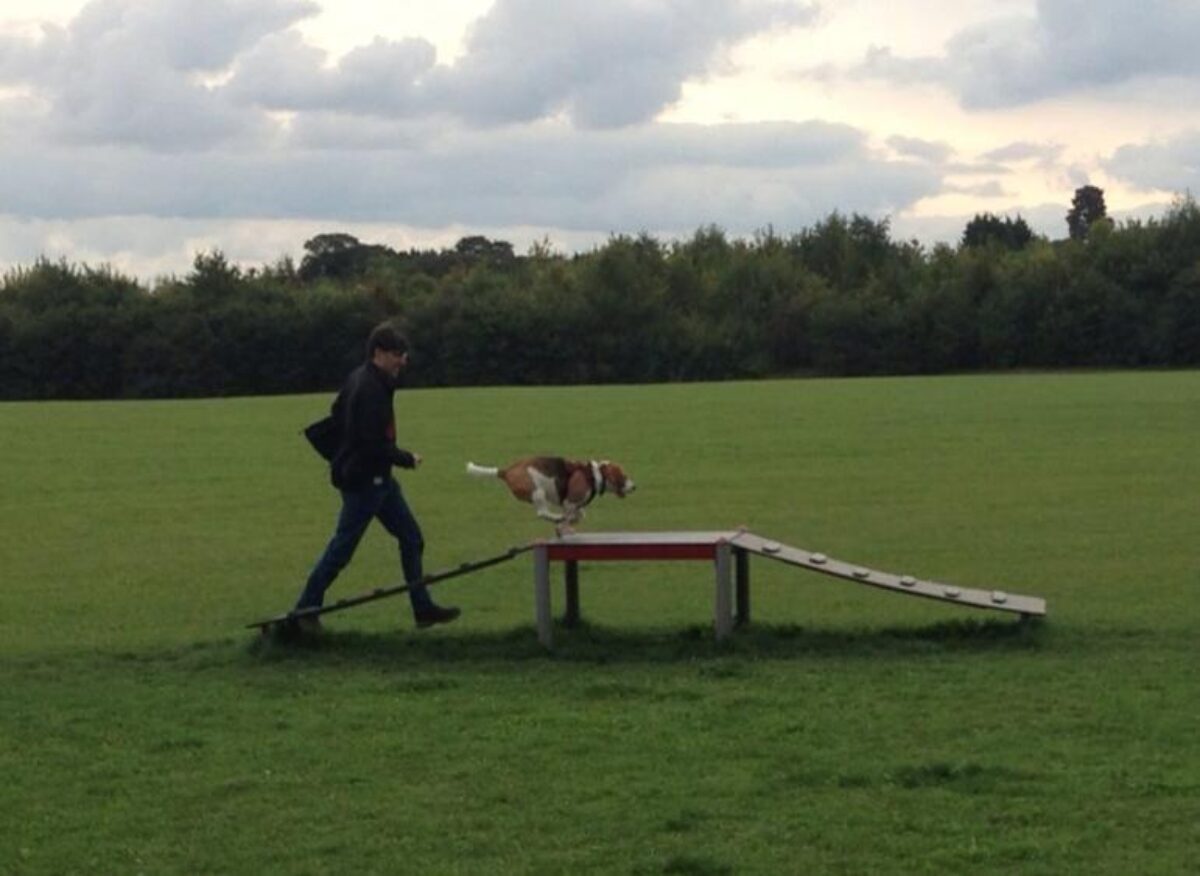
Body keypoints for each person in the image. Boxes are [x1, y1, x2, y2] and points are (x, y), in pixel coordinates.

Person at [293, 322, 459, 631]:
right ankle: (305, 608)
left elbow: (337, 410)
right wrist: (406, 458)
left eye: (404, 355)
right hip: (365, 482)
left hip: (378, 481)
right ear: (379, 353)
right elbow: (372, 445)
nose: (403, 361)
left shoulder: (362, 378)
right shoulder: (370, 389)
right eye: (398, 354)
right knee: (342, 548)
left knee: (411, 537)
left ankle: (422, 608)